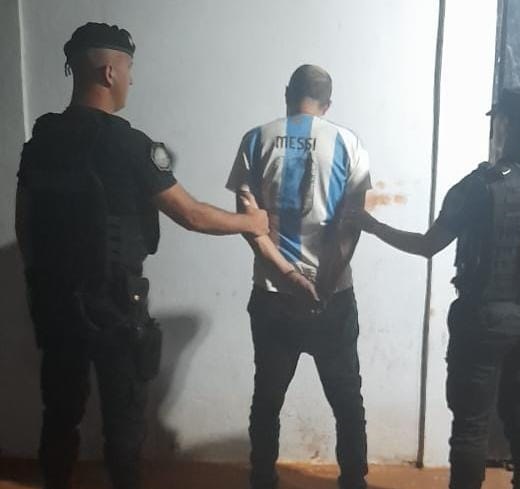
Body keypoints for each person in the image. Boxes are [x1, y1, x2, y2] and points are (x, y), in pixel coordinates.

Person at [15, 22, 268, 489]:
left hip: (54, 301)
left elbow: (23, 225)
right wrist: (251, 223)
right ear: (109, 72)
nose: (132, 79)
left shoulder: (40, 142)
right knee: (124, 421)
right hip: (116, 302)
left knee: (60, 414)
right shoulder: (131, 145)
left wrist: (44, 280)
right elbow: (191, 214)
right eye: (129, 68)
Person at [355, 87, 520, 489]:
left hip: (485, 319)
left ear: (505, 124)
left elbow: (427, 245)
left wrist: (373, 226)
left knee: (471, 428)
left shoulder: (480, 186)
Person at [226, 64, 372, 489]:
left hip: (274, 293)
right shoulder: (349, 143)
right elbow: (352, 226)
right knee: (347, 401)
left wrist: (291, 277)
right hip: (333, 295)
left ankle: (262, 479)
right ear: (328, 103)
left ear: (287, 92)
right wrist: (322, 283)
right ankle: (353, 481)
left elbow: (249, 225)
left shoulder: (256, 139)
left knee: (267, 399)